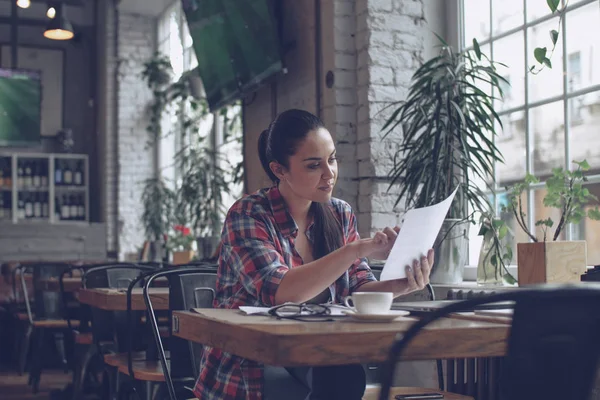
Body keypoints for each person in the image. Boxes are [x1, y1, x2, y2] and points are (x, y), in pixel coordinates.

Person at [193, 109, 434, 400]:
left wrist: (401, 285)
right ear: (279, 170)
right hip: (250, 372)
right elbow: (281, 292)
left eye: (332, 159)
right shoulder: (249, 214)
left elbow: (360, 287)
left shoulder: (340, 213)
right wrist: (354, 249)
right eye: (313, 165)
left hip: (317, 358)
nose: (329, 173)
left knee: (341, 375)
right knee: (334, 378)